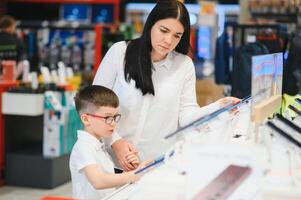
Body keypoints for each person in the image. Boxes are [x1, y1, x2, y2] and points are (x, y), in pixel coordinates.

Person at [93, 0, 239, 170]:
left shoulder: (183, 65)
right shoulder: (120, 52)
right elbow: (95, 103)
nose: (168, 40)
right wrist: (115, 142)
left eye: (177, 35)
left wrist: (218, 107)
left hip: (156, 165)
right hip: (110, 162)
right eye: (164, 30)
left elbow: (186, 115)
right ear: (151, 24)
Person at [70, 85, 148, 200]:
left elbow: (109, 182)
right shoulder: (83, 147)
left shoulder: (99, 144)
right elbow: (98, 181)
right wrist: (134, 175)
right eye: (107, 118)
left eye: (115, 117)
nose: (113, 123)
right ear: (86, 119)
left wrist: (131, 170)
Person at [0, 15, 26, 79]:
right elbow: (22, 62)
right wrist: (14, 77)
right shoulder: (18, 41)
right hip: (14, 81)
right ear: (10, 27)